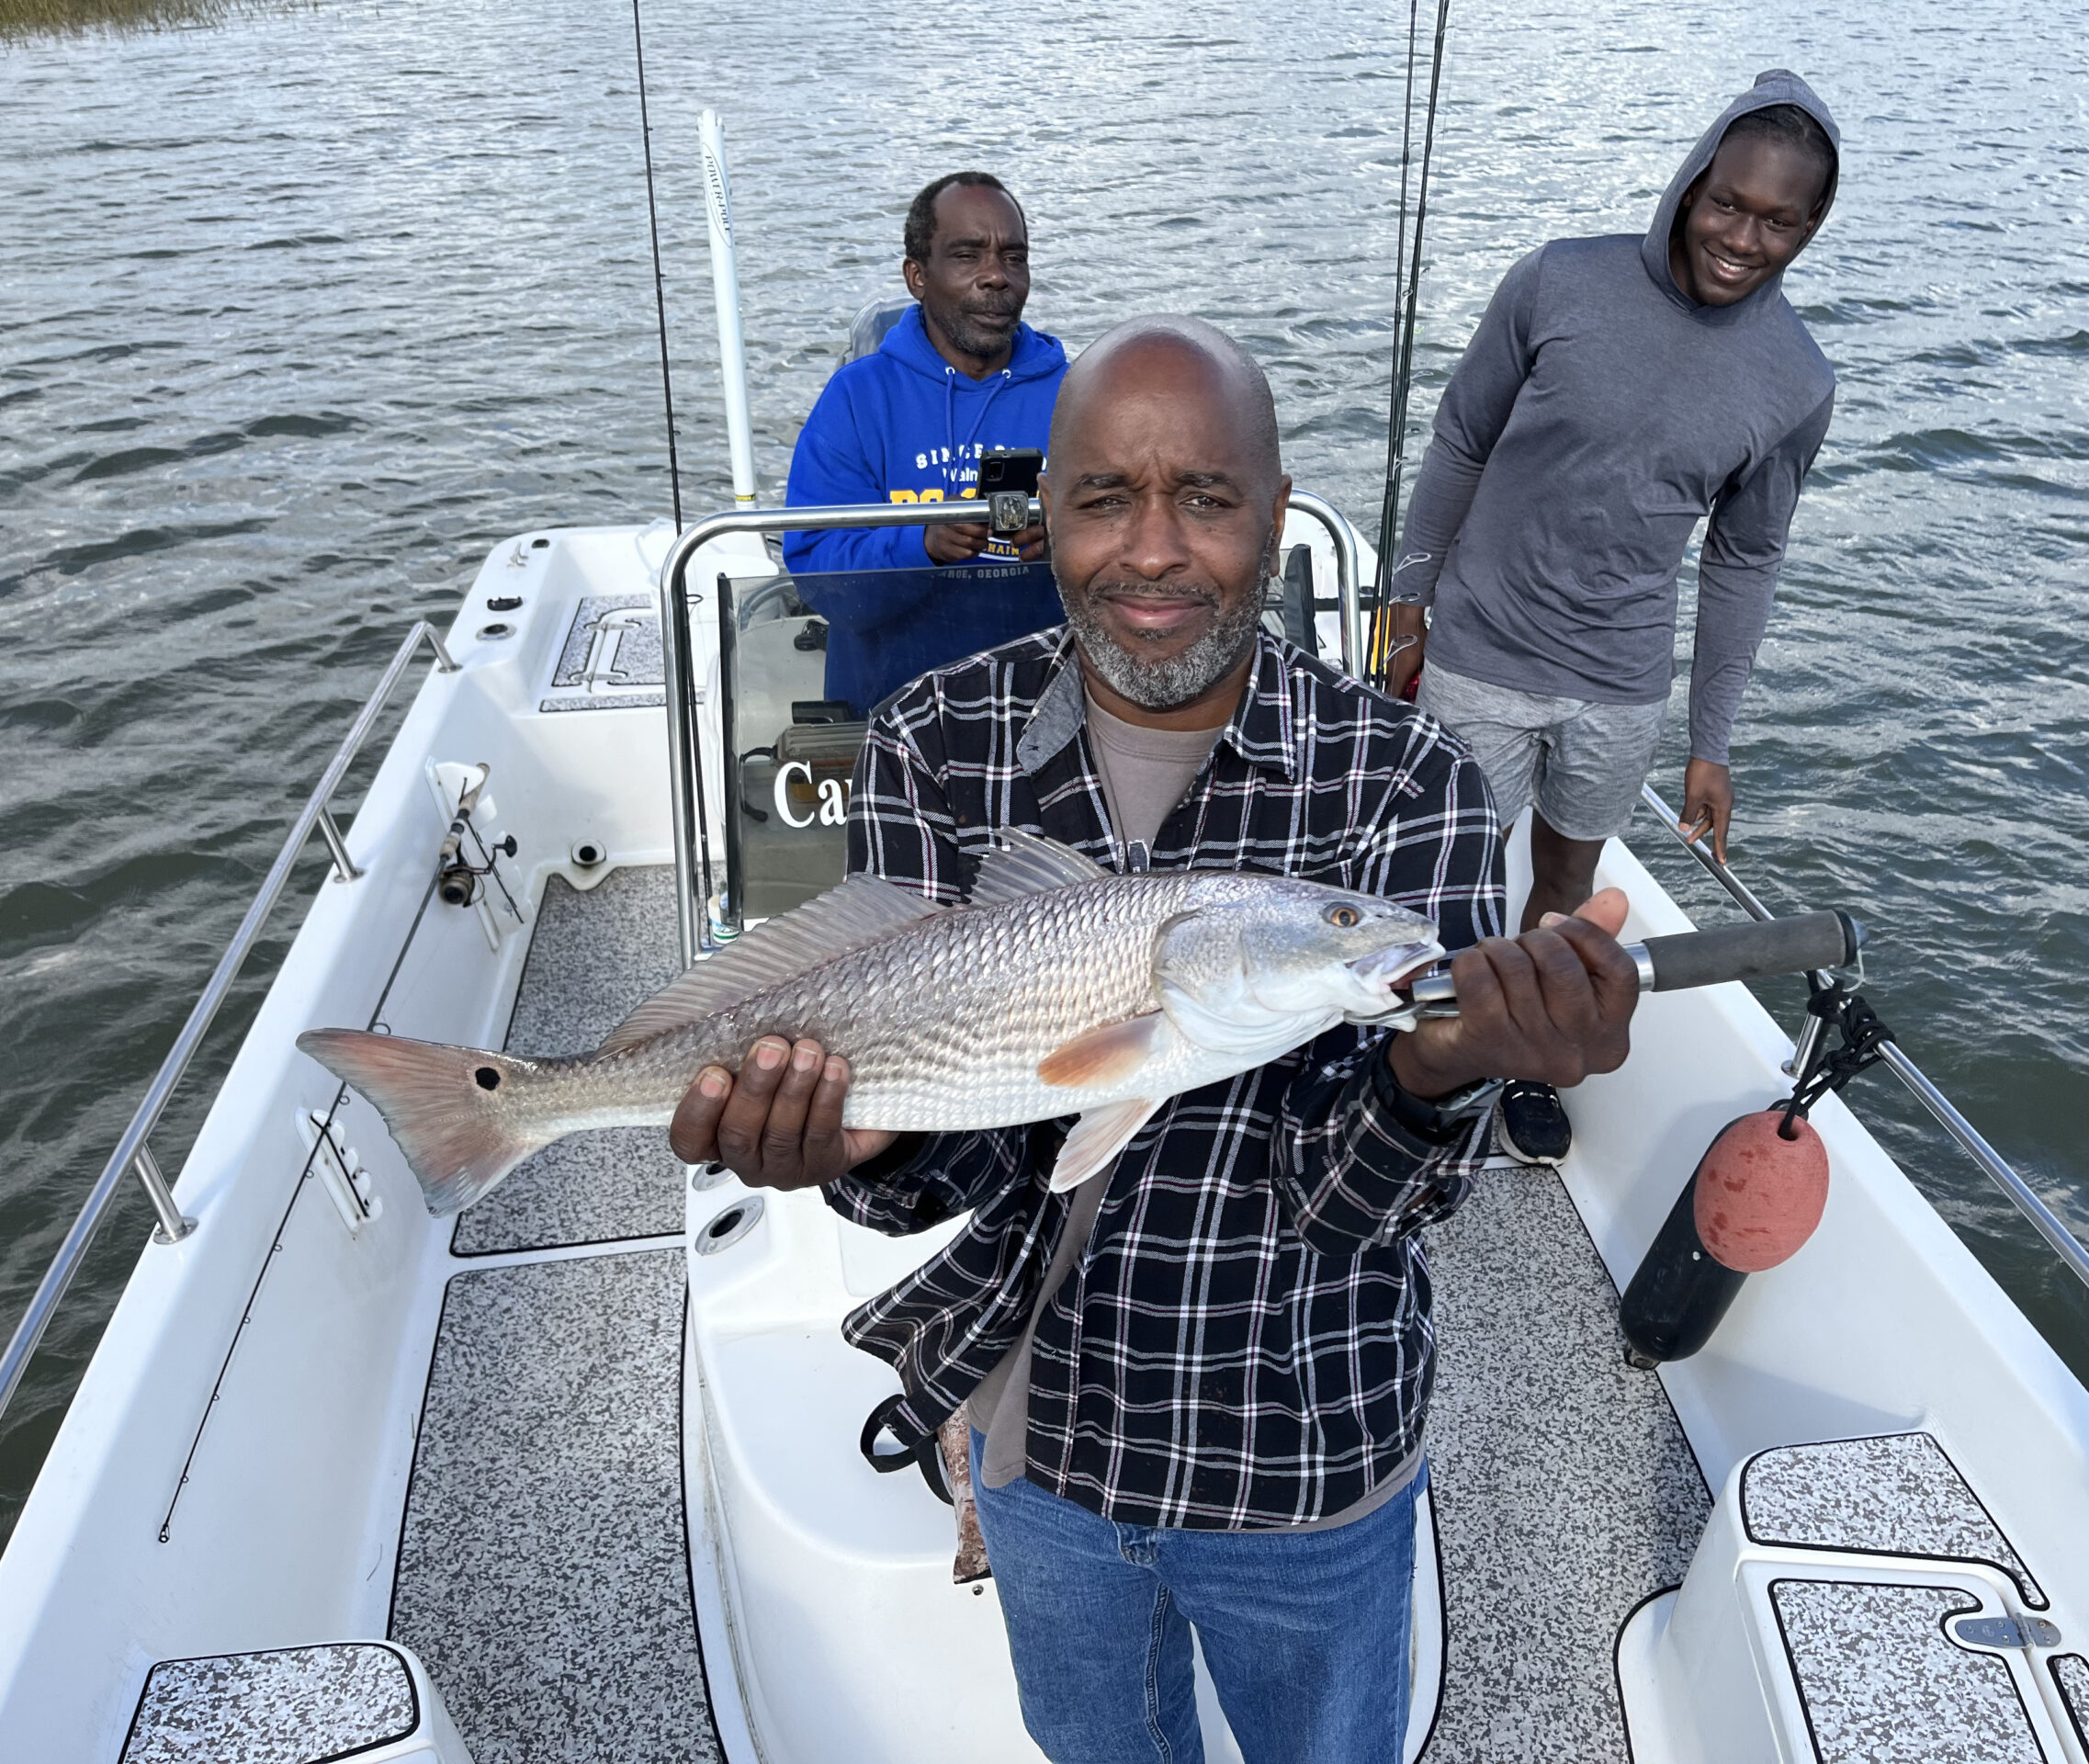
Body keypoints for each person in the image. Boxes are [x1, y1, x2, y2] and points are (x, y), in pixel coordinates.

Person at [672, 317, 1640, 1763]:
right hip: (1033, 1437)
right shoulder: (940, 738)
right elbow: (926, 1176)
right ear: (1043, 515)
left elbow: (1365, 1207)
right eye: (1104, 498)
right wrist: (840, 1151)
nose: (1154, 553)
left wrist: (1444, 1069)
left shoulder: (1405, 778)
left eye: (1208, 498)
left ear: (1274, 509)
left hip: (1300, 1447)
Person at [1382, 70, 1841, 1170]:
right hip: (1480, 651)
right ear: (1691, 186)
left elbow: (1746, 557)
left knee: (1566, 887)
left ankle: (1522, 1066)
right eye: (1727, 202)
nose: (1743, 236)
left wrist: (1709, 744)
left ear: (1810, 226)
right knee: (1441, 878)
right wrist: (1406, 601)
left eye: (1779, 220)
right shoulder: (1558, 281)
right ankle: (1418, 1078)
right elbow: (1459, 441)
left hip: (1619, 684)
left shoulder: (1798, 381)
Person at [780, 171, 1067, 714]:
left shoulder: (1081, 396)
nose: (995, 277)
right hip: (891, 718)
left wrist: (1065, 547)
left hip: (1045, 711)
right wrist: (922, 546)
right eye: (967, 255)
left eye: (1013, 257)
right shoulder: (857, 397)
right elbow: (817, 573)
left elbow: (1133, 552)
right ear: (917, 276)